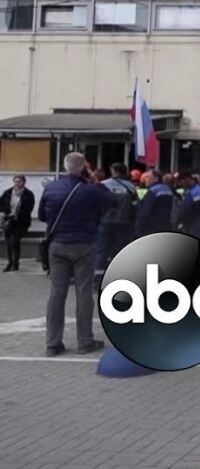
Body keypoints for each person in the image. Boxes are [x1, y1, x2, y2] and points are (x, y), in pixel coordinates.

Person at [39, 152, 114, 356]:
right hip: (84, 245)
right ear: (83, 168)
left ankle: (52, 343)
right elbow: (111, 202)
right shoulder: (90, 190)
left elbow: (43, 215)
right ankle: (85, 342)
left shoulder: (51, 188)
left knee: (56, 293)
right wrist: (96, 181)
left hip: (57, 245)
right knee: (83, 292)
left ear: (65, 166)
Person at [95, 163, 139, 288]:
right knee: (119, 250)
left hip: (105, 222)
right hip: (123, 223)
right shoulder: (131, 187)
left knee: (101, 251)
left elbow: (97, 205)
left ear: (113, 171)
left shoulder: (103, 185)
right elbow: (135, 207)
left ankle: (98, 279)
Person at [1, 175, 34, 272]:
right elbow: (1, 203)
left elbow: (28, 208)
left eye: (19, 181)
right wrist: (2, 212)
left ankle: (15, 263)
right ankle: (10, 263)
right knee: (8, 242)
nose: (17, 183)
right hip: (8, 221)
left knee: (14, 241)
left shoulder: (28, 194)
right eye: (15, 181)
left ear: (24, 182)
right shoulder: (7, 192)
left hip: (21, 222)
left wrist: (17, 214)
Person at [135, 169, 176, 236]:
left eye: (148, 177)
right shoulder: (168, 190)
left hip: (151, 227)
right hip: (166, 226)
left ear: (156, 178)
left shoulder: (153, 191)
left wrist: (139, 226)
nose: (146, 180)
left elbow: (146, 210)